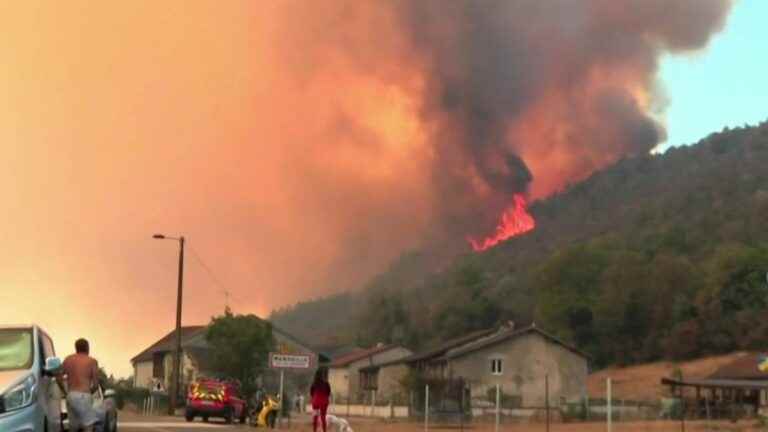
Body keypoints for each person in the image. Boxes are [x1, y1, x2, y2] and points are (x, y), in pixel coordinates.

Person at [58, 338, 100, 432]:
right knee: (88, 426)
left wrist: (65, 392)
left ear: (76, 348)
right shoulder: (92, 361)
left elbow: (58, 377)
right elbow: (96, 384)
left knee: (73, 427)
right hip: (84, 395)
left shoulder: (68, 360)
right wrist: (89, 392)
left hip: (71, 395)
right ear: (87, 348)